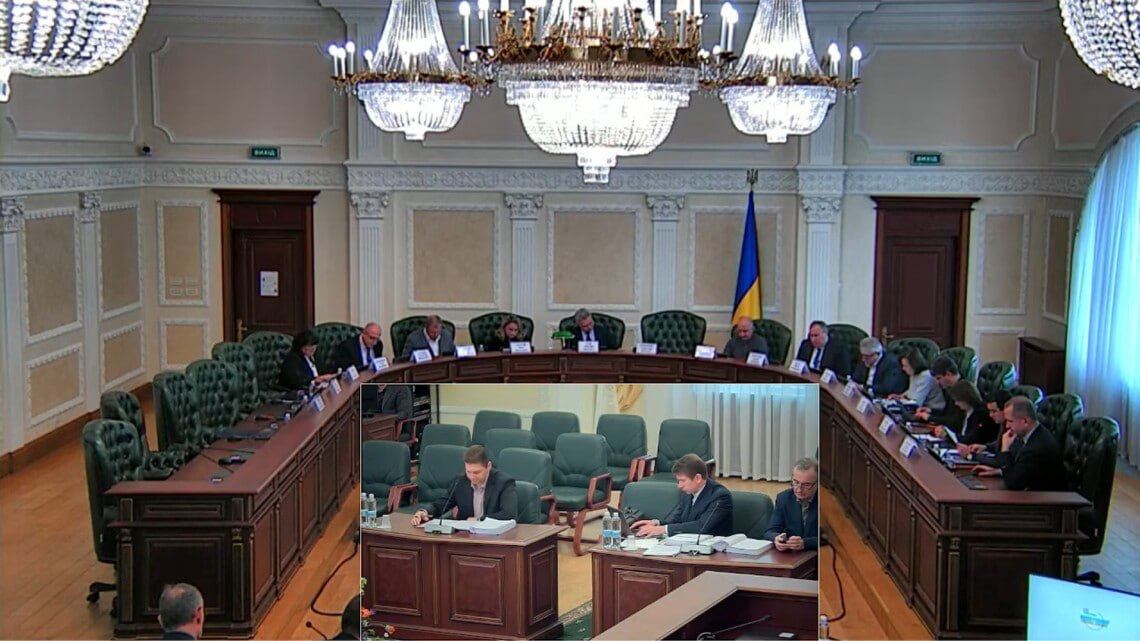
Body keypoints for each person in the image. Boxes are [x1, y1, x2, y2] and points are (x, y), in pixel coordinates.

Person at [968, 396, 1068, 491]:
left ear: (1025, 421)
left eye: (1010, 421)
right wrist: (998, 471)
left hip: (1046, 499)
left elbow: (1013, 483)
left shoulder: (1038, 446)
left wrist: (1005, 450)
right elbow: (1017, 469)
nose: (1007, 426)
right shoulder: (1026, 435)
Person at [631, 454, 733, 538]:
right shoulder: (687, 492)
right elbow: (677, 520)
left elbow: (702, 527)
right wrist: (657, 523)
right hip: (687, 544)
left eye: (682, 480)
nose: (679, 486)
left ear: (698, 478)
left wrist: (663, 529)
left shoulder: (720, 496)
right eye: (678, 481)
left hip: (713, 550)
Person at [410, 445, 518, 524]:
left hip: (495, 537)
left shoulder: (504, 482)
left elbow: (508, 514)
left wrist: (478, 520)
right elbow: (441, 505)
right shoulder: (460, 481)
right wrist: (424, 511)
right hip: (465, 536)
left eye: (476, 472)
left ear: (488, 466)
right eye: (468, 471)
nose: (472, 477)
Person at [763, 458, 819, 551]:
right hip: (792, 555)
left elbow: (832, 540)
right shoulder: (783, 498)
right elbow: (770, 531)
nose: (799, 489)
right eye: (796, 482)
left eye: (806, 485)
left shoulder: (827, 502)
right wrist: (776, 538)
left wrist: (805, 543)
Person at [333, 322, 385, 409]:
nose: (374, 342)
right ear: (364, 333)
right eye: (372, 338)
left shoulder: (378, 345)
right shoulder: (347, 347)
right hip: (355, 384)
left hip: (373, 379)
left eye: (377, 338)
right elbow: (345, 371)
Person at [932, 380, 998, 445]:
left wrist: (947, 435)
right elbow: (953, 424)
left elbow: (971, 439)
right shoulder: (962, 412)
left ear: (967, 398)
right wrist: (943, 429)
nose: (956, 403)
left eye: (958, 400)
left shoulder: (982, 413)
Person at [958, 389, 1012, 457]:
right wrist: (985, 447)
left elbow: (1001, 460)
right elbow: (999, 443)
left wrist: (971, 456)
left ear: (1006, 409)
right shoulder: (1002, 424)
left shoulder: (1013, 430)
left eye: (994, 411)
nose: (990, 415)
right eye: (989, 411)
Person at [915, 356, 963, 428]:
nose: (937, 382)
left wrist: (930, 417)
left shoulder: (962, 391)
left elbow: (955, 421)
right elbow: (947, 414)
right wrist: (931, 411)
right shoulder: (950, 388)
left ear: (948, 374)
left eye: (938, 378)